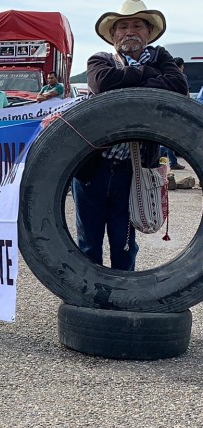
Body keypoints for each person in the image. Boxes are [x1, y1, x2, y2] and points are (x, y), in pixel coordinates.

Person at [71, 0, 187, 271]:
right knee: (89, 242)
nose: (129, 31)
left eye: (137, 25)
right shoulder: (99, 60)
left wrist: (130, 77)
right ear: (113, 35)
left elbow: (178, 87)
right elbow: (103, 84)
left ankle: (123, 299)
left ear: (148, 32)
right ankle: (90, 300)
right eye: (122, 26)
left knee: (124, 242)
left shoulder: (162, 58)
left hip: (131, 171)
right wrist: (149, 75)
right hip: (93, 169)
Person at [159, 56, 186, 169]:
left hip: (166, 112)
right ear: (181, 66)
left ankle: (172, 162)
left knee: (170, 138)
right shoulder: (181, 77)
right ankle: (164, 157)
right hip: (176, 113)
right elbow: (186, 95)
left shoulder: (164, 76)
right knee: (174, 138)